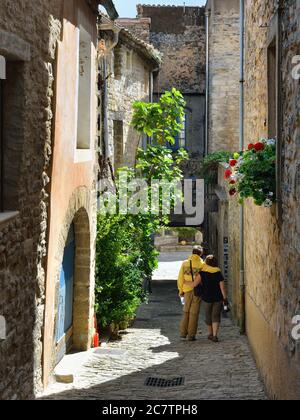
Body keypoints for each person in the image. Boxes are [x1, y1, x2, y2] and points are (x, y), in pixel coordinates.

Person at [185, 255, 228, 343]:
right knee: (216, 316)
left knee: (208, 316)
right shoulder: (218, 273)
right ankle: (215, 335)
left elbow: (194, 284)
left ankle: (210, 334)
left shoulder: (202, 273)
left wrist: (185, 282)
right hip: (218, 298)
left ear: (206, 263)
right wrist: (225, 298)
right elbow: (222, 288)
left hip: (206, 298)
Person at [177, 246, 204, 341]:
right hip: (197, 291)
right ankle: (191, 335)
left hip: (187, 290)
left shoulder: (185, 263)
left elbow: (180, 278)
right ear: (200, 254)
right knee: (194, 313)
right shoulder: (202, 265)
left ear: (192, 253)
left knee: (185, 312)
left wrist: (180, 291)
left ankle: (183, 334)